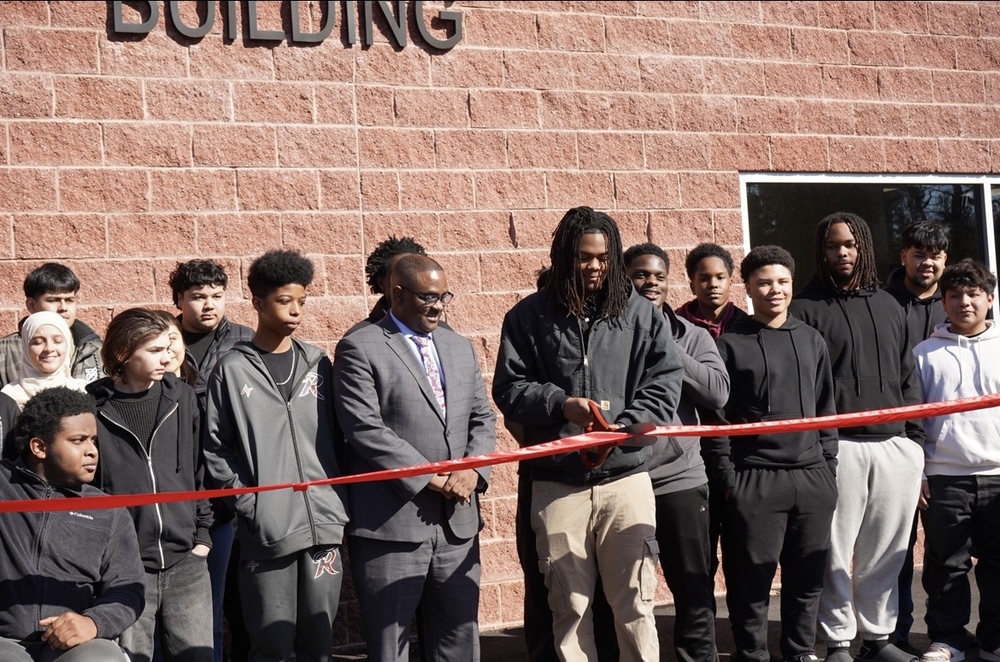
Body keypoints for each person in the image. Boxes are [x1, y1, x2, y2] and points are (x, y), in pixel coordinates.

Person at [493, 206, 683, 662]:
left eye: (602, 257)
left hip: (626, 480)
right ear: (563, 256)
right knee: (569, 607)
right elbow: (509, 388)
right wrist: (561, 404)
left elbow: (665, 381)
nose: (594, 266)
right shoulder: (527, 317)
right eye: (583, 257)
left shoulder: (642, 315)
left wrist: (625, 426)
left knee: (635, 604)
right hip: (557, 484)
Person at [334, 253, 497, 661]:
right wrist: (429, 477)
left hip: (457, 525)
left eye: (444, 296)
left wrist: (474, 470)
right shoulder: (360, 347)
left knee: (459, 643)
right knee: (391, 647)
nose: (439, 306)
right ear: (398, 293)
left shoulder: (458, 346)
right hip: (392, 527)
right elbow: (365, 429)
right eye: (428, 297)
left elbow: (482, 416)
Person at [790, 212, 924, 662]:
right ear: (821, 250)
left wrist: (915, 443)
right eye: (832, 245)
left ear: (863, 247)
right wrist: (818, 448)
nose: (842, 252)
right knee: (833, 550)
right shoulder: (804, 308)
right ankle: (838, 642)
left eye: (849, 244)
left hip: (895, 447)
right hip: (838, 446)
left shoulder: (890, 304)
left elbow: (909, 377)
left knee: (887, 550)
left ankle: (879, 638)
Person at [202, 249, 349, 662]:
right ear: (258, 302)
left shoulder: (319, 363)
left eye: (302, 301)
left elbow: (342, 438)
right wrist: (251, 503)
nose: (296, 311)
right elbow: (215, 447)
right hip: (266, 530)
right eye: (285, 301)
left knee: (319, 642)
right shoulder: (231, 370)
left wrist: (337, 500)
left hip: (323, 525)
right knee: (269, 644)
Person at [705, 245, 839, 662]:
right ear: (746, 287)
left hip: (812, 477)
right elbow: (717, 419)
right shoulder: (729, 345)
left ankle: (801, 652)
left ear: (792, 284)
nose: (774, 290)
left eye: (782, 281)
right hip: (755, 479)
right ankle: (753, 655)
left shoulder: (812, 340)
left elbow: (826, 410)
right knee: (751, 583)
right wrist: (729, 479)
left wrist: (829, 468)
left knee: (808, 580)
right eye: (763, 282)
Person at [87, 308, 213, 662]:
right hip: (124, 568)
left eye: (168, 346)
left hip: (186, 560)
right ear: (125, 353)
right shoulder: (93, 409)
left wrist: (202, 537)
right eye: (155, 350)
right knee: (132, 658)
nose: (168, 356)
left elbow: (199, 469)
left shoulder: (183, 397)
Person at [624, 242, 729, 662]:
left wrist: (666, 344)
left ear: (670, 283)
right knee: (628, 590)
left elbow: (718, 394)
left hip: (682, 481)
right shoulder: (609, 338)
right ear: (623, 279)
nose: (650, 283)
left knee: (693, 587)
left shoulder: (692, 334)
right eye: (639, 275)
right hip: (626, 481)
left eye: (658, 276)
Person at [0, 386, 144, 662]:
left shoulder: (108, 511)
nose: (92, 451)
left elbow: (129, 588)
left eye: (93, 440)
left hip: (76, 646)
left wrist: (93, 623)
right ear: (39, 447)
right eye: (78, 440)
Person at [912, 259, 1000, 662]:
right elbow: (912, 419)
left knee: (999, 566)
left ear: (989, 298)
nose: (964, 302)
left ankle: (994, 640)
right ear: (943, 303)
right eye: (954, 295)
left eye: (973, 294)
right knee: (946, 565)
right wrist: (920, 473)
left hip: (998, 474)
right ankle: (948, 638)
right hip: (945, 476)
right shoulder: (924, 354)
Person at [167, 258, 253, 662]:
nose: (208, 304)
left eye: (217, 296)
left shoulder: (245, 341)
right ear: (179, 300)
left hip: (238, 485)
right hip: (185, 488)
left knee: (244, 601)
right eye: (198, 296)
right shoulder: (165, 344)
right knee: (202, 604)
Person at [884, 220, 951, 649]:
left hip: (951, 452)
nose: (927, 262)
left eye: (935, 255)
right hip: (896, 443)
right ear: (903, 256)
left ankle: (946, 634)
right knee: (896, 551)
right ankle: (896, 633)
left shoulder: (958, 302)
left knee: (948, 554)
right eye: (918, 253)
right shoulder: (882, 303)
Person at [1, 312, 89, 460]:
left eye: (57, 340)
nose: (49, 348)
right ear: (25, 346)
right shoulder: (9, 398)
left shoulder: (84, 391)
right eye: (38, 342)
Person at [0, 263, 103, 387]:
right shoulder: (5, 352)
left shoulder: (95, 348)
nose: (63, 308)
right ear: (31, 305)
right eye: (53, 300)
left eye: (70, 300)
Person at [676, 242, 751, 340]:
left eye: (720, 278)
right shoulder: (676, 323)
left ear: (730, 283)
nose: (713, 285)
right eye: (704, 279)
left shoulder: (745, 326)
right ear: (693, 287)